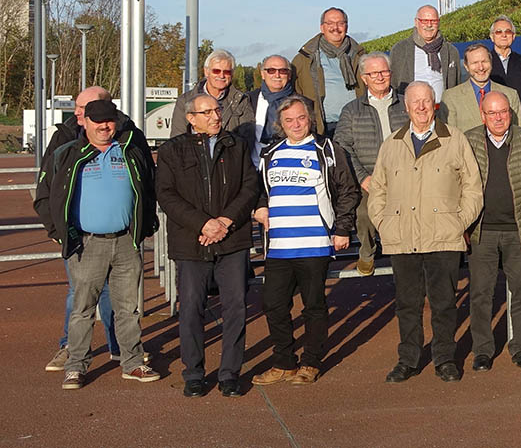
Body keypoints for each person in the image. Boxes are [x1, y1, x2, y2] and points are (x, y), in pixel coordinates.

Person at [34, 99, 160, 389]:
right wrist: (58, 231)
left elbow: (148, 190)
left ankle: (132, 362)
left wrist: (145, 224)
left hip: (126, 243)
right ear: (85, 122)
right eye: (98, 121)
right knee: (83, 308)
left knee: (128, 308)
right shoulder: (67, 154)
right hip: (87, 244)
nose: (104, 127)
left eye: (110, 121)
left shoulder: (130, 152)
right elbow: (46, 195)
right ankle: (76, 365)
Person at [368, 82, 483, 383]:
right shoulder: (392, 143)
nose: (420, 107)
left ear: (434, 105)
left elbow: (473, 187)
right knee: (408, 303)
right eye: (415, 102)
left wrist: (459, 222)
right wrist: (383, 222)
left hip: (443, 235)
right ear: (405, 106)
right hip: (402, 236)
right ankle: (408, 359)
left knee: (444, 301)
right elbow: (377, 188)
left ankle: (445, 358)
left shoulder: (454, 139)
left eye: (426, 101)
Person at [252, 97, 360, 386]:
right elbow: (261, 189)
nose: (295, 124)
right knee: (274, 304)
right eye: (289, 120)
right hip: (278, 246)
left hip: (314, 243)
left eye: (300, 118)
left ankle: (310, 362)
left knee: (313, 306)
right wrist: (260, 206)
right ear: (280, 123)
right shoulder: (270, 152)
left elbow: (348, 191)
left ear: (309, 119)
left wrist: (342, 229)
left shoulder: (327, 149)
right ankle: (284, 362)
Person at [157, 93, 258, 398]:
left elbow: (250, 187)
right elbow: (166, 194)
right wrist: (203, 223)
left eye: (218, 110)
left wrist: (226, 221)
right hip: (191, 242)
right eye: (208, 112)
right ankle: (194, 373)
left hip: (232, 240)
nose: (216, 116)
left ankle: (230, 373)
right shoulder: (172, 150)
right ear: (191, 118)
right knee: (190, 308)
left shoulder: (236, 145)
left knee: (236, 307)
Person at [464, 92, 521, 370]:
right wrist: (461, 225)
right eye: (492, 113)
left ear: (510, 113)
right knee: (480, 293)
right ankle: (482, 350)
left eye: (503, 112)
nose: (499, 117)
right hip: (481, 232)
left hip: (519, 230)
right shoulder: (468, 141)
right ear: (482, 115)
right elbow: (456, 184)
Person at [41, 86, 121, 373]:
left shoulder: (125, 135)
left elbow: (144, 182)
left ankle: (119, 346)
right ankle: (70, 348)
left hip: (118, 235)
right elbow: (46, 186)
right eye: (77, 107)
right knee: (79, 293)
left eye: (83, 108)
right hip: (78, 234)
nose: (77, 112)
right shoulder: (63, 137)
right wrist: (56, 229)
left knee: (117, 293)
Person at [333, 52, 410, 276]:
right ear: (364, 78)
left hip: (405, 175)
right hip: (368, 177)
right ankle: (367, 251)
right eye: (373, 73)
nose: (379, 77)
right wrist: (362, 177)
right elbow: (343, 147)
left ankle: (405, 255)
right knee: (365, 213)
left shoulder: (406, 103)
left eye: (384, 72)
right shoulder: (351, 110)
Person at [291, 7, 366, 135]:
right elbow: (293, 91)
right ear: (322, 27)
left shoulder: (360, 56)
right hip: (323, 127)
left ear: (346, 27)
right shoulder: (305, 58)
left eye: (340, 23)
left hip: (357, 123)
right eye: (330, 23)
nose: (335, 28)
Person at [171, 49, 254, 138]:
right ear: (206, 72)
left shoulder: (241, 101)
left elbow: (248, 139)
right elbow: (177, 139)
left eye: (227, 72)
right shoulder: (185, 100)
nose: (221, 76)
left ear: (232, 74)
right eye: (216, 71)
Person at [248, 54, 313, 166]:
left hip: (289, 164)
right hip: (253, 165)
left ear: (289, 75)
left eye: (283, 71)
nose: (277, 75)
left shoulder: (303, 104)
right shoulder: (248, 100)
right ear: (263, 74)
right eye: (271, 70)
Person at [441, 43, 521, 132]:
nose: (481, 67)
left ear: (491, 62)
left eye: (484, 61)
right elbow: (449, 137)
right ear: (466, 66)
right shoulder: (451, 97)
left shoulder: (511, 95)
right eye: (475, 63)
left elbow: (519, 133)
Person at [390, 5, 460, 99]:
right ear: (416, 22)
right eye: (425, 21)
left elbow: (457, 83)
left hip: (443, 110)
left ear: (438, 23)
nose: (429, 25)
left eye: (433, 21)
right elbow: (393, 84)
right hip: (411, 111)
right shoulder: (399, 50)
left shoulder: (451, 51)